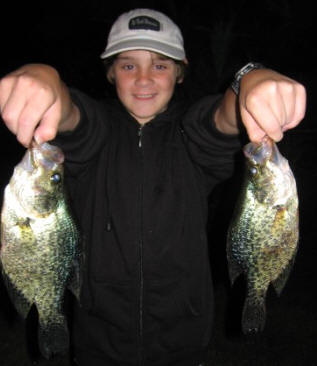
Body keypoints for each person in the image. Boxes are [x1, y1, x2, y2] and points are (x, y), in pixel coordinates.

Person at [0, 8, 306, 366]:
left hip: (185, 341)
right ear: (111, 72)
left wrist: (249, 81)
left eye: (160, 65)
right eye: (128, 65)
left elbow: (220, 121)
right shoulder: (96, 133)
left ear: (180, 72)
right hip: (98, 342)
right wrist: (45, 77)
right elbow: (71, 117)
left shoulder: (190, 135)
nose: (144, 79)